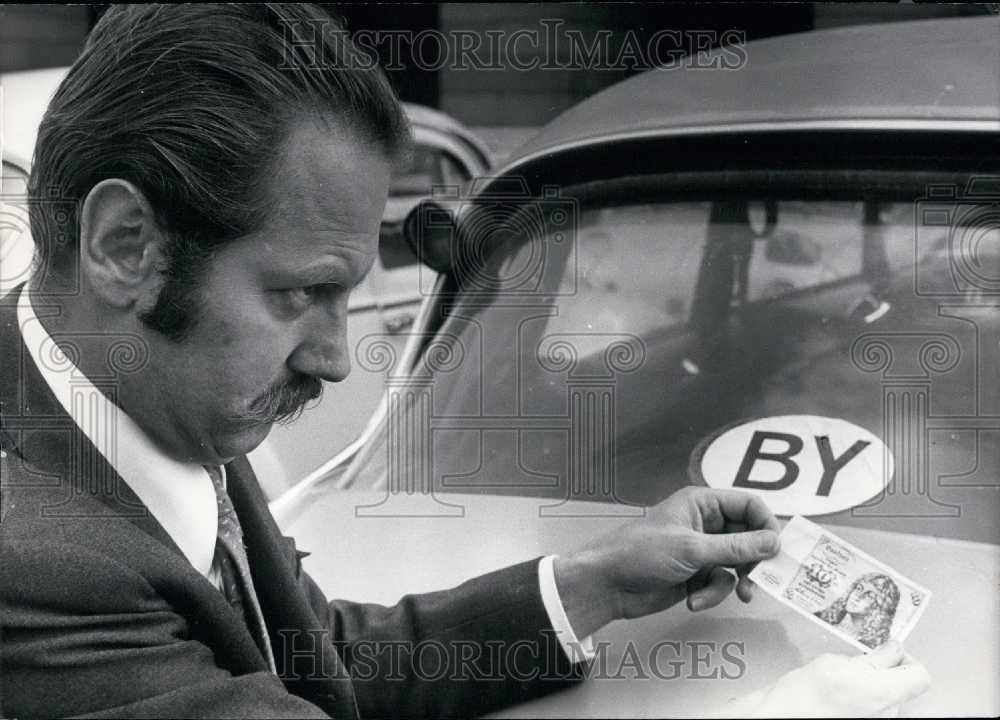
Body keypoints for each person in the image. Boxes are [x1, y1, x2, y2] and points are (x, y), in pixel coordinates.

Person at [0, 5, 930, 718]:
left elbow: (317, 660)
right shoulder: (34, 574)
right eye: (297, 294)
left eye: (346, 292)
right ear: (126, 245)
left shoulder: (141, 393)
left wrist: (596, 579)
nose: (331, 359)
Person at [815, 573, 901, 650]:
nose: (858, 597)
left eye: (869, 596)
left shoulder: (873, 647)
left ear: (879, 608)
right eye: (859, 589)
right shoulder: (821, 617)